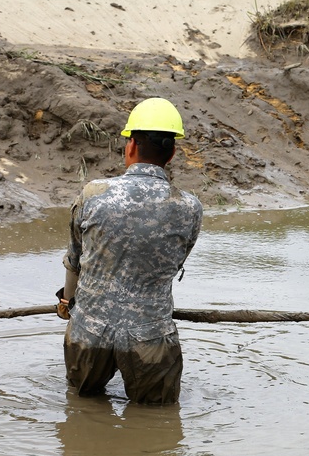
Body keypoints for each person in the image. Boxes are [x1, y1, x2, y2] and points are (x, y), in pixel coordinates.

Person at [56, 97, 203, 404]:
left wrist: (68, 301)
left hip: (89, 331)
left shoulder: (93, 194)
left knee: (81, 407)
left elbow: (74, 261)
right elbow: (175, 263)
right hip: (151, 338)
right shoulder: (189, 207)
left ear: (131, 146)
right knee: (157, 421)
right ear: (172, 152)